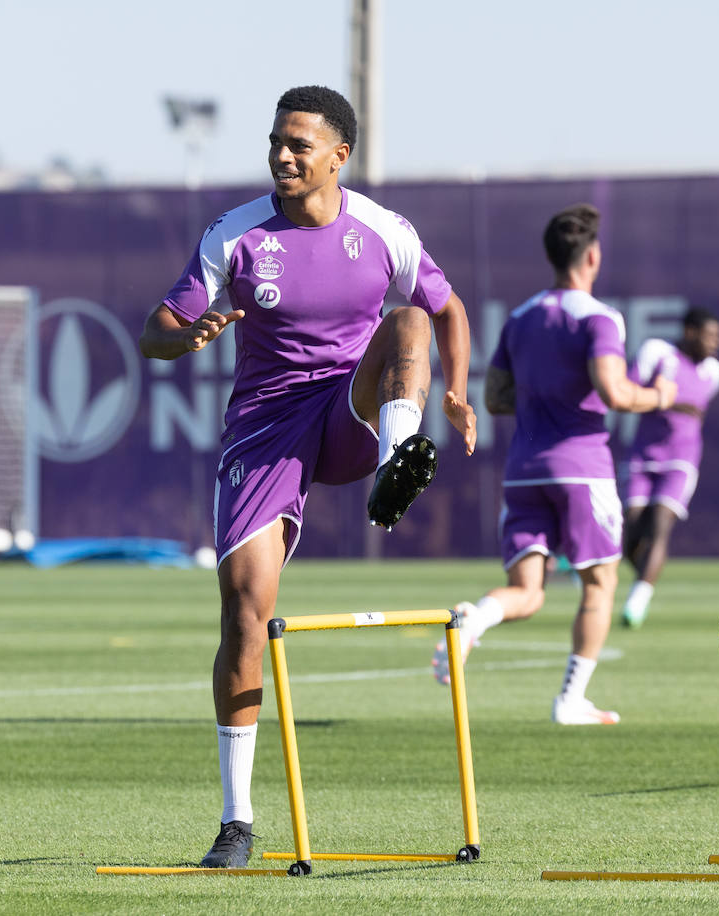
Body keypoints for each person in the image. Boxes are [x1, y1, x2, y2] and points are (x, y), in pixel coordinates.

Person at [139, 85, 477, 868]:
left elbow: (448, 308)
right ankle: (237, 823)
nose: (282, 156)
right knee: (245, 615)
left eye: (299, 145)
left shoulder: (384, 231)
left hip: (351, 409)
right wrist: (186, 334)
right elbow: (153, 331)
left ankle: (397, 464)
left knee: (409, 321)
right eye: (275, 143)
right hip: (265, 432)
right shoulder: (236, 234)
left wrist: (455, 390)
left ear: (338, 156)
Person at [429, 203, 676, 725]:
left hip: (524, 469)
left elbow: (495, 397)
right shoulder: (600, 318)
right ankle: (570, 699)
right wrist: (657, 396)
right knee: (600, 584)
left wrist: (544, 395)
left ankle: (474, 619)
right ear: (592, 256)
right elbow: (612, 390)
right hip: (582, 469)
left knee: (527, 592)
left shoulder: (521, 318)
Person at [618, 307, 719, 628]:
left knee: (661, 524)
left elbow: (696, 411)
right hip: (642, 457)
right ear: (690, 332)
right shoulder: (657, 353)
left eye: (718, 338)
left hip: (681, 460)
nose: (715, 344)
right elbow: (629, 393)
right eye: (709, 336)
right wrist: (662, 396)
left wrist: (675, 402)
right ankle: (648, 576)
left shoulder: (714, 372)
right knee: (632, 532)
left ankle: (638, 598)